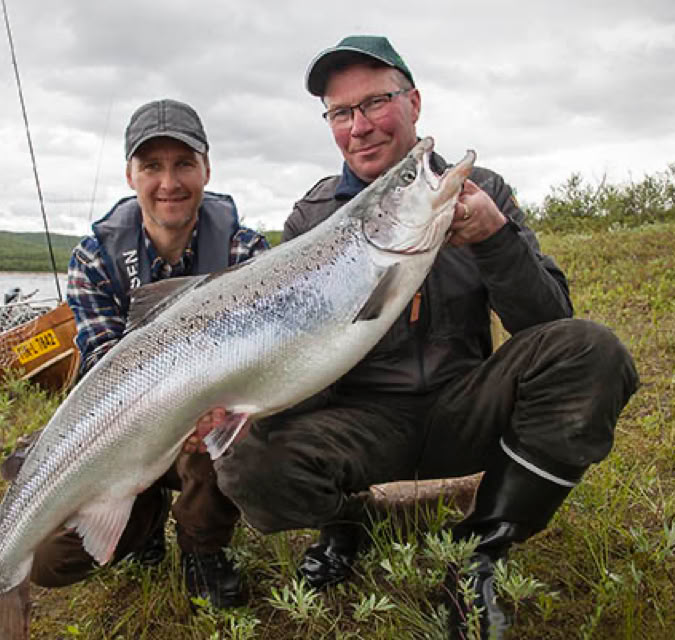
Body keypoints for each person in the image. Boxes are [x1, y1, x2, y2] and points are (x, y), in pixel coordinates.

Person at [212, 36, 639, 637]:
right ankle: (349, 523)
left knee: (592, 350)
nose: (358, 127)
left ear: (413, 102)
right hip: (363, 423)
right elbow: (302, 351)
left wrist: (495, 239)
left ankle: (481, 551)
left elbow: (548, 322)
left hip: (466, 404)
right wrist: (241, 400)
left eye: (375, 103)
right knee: (248, 463)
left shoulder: (479, 190)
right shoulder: (312, 219)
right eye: (340, 112)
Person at [2, 98, 268, 609]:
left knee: (228, 426)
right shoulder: (94, 258)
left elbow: (254, 361)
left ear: (206, 169)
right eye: (152, 167)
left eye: (184, 164)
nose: (169, 182)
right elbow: (104, 368)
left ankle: (202, 547)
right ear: (130, 175)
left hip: (209, 423)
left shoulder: (244, 252)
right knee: (49, 560)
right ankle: (140, 523)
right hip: (123, 426)